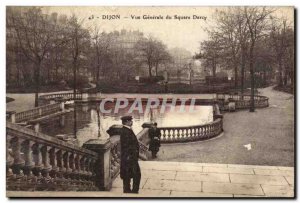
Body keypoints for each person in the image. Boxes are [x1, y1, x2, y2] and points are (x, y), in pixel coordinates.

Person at [120, 115, 141, 193]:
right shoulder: (125, 131)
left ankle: (127, 190)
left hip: (129, 158)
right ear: (126, 122)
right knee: (136, 175)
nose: (132, 122)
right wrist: (131, 157)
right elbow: (126, 146)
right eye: (130, 121)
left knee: (127, 175)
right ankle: (133, 191)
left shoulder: (126, 130)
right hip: (130, 158)